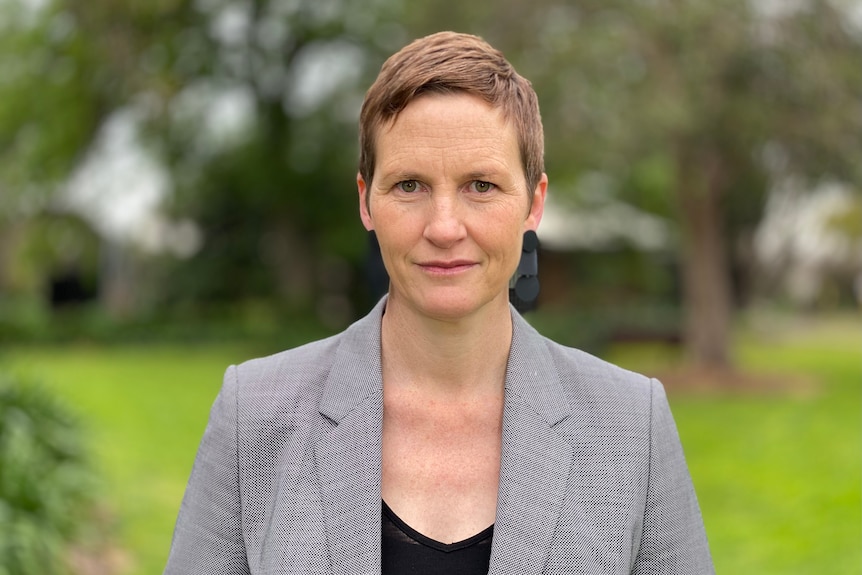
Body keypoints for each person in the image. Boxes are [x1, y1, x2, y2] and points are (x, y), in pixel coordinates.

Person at [164, 31, 714, 574]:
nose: (445, 227)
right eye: (409, 185)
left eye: (481, 185)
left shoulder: (628, 426)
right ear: (366, 201)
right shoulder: (255, 415)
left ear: (534, 203)